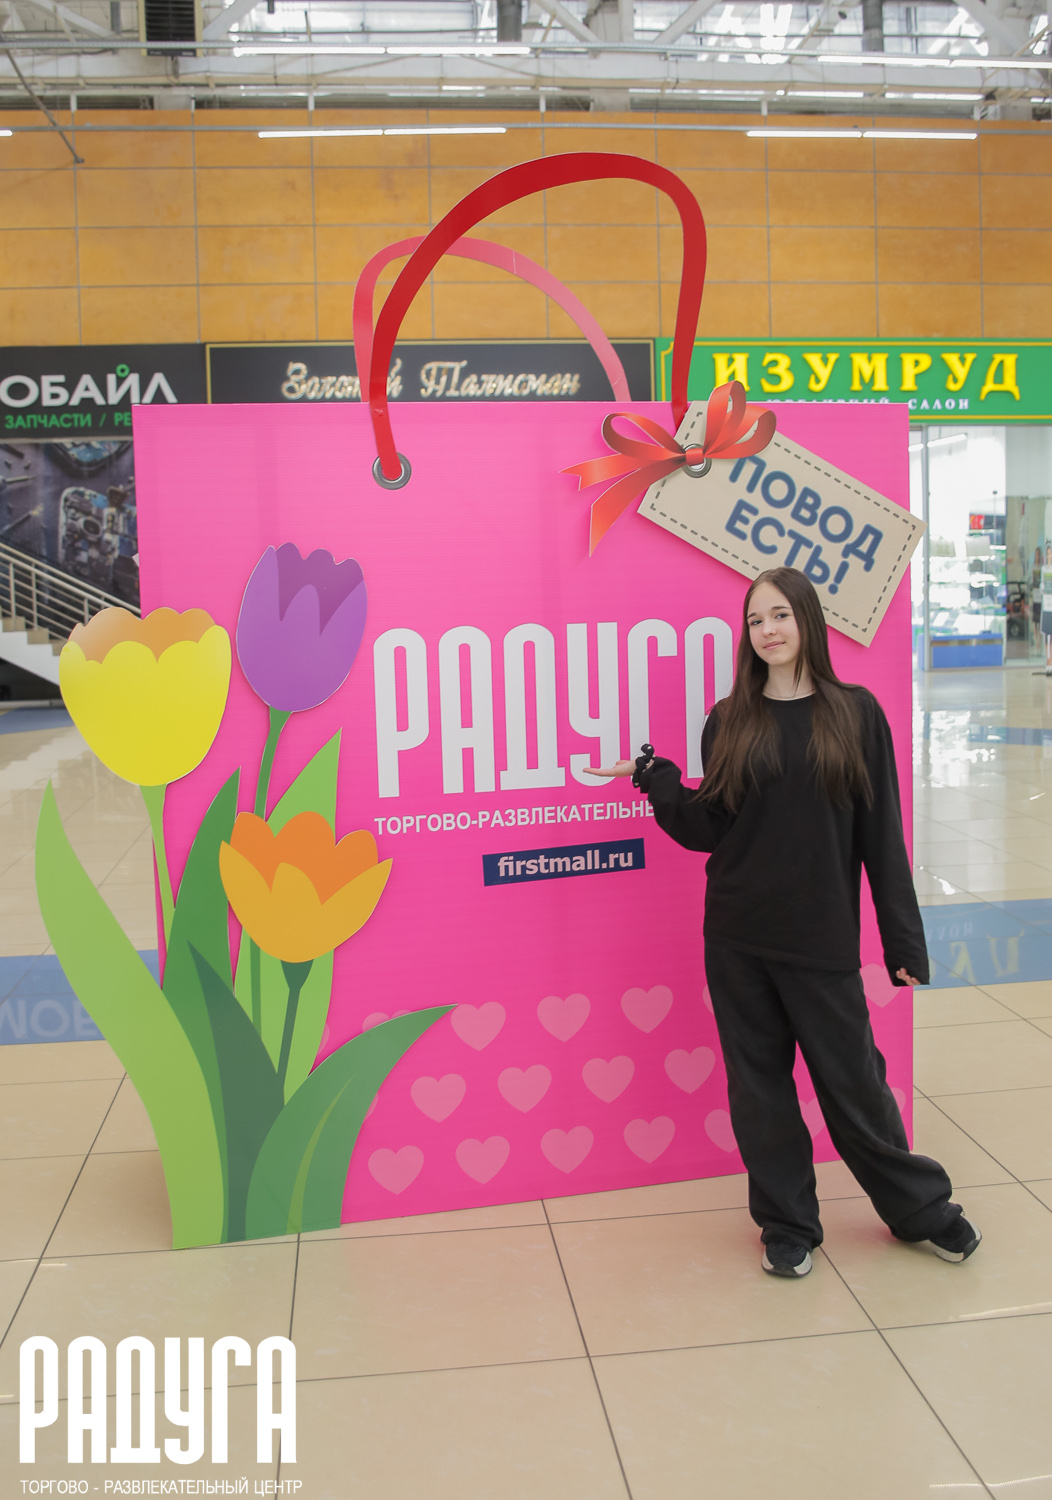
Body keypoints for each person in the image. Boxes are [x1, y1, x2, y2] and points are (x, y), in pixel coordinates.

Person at [585, 566, 981, 1279]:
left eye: (779, 616)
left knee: (854, 1087)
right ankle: (788, 1225)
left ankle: (921, 1211)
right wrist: (655, 776)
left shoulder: (855, 713)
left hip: (820, 938)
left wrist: (903, 939)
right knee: (760, 1092)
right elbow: (711, 827)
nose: (767, 631)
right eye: (755, 620)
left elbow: (882, 837)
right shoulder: (729, 719)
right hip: (737, 936)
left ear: (807, 621)